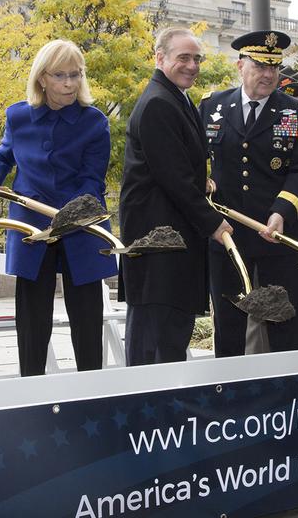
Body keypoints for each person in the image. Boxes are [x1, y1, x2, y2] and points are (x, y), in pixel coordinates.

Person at [0, 40, 117, 376]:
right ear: (42, 78)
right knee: (32, 320)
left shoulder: (95, 121)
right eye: (60, 75)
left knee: (87, 317)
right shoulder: (18, 116)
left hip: (82, 227)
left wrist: (70, 214)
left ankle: (90, 390)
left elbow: (93, 178)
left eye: (75, 75)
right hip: (32, 228)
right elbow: (3, 157)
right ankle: (31, 391)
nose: (70, 83)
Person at [200, 32, 298, 357]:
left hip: (278, 236)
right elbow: (197, 161)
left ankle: (293, 396)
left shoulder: (297, 114)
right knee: (229, 327)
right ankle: (232, 397)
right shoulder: (212, 106)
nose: (268, 75)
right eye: (259, 66)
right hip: (228, 236)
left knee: (286, 325)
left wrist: (282, 211)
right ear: (240, 66)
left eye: (274, 67)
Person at [119, 27, 232, 365]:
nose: (192, 65)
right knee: (155, 345)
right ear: (160, 58)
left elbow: (179, 167)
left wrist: (204, 181)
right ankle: (149, 411)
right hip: (159, 246)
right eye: (183, 57)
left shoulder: (174, 98)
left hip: (172, 244)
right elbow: (174, 178)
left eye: (197, 58)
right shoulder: (158, 102)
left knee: (170, 338)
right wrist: (214, 223)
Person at [244, 65, 298, 353]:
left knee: (295, 306)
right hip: (249, 225)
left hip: (293, 229)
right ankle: (253, 368)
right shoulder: (241, 116)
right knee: (252, 305)